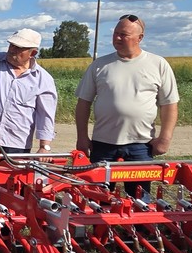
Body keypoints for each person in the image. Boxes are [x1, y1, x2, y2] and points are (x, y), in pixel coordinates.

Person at [75, 14, 179, 197]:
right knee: (98, 198)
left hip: (141, 145)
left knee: (140, 198)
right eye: (115, 33)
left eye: (123, 34)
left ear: (140, 38)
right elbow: (83, 103)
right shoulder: (100, 65)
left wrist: (165, 138)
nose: (117, 38)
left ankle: (139, 216)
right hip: (103, 144)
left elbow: (169, 104)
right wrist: (82, 137)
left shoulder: (158, 64)